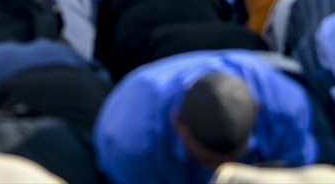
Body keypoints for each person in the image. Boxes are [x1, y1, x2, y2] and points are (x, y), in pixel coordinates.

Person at [95, 55, 319, 184]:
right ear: (178, 123)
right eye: (209, 160)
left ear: (256, 111)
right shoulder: (130, 141)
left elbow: (296, 175)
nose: (224, 174)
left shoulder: (285, 108)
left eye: (233, 158)